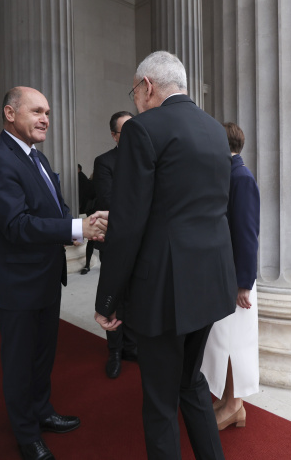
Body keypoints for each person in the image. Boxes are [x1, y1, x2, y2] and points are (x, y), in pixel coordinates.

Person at [94, 51, 236, 459]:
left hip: (164, 288)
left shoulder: (143, 129)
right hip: (210, 283)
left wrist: (108, 299)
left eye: (134, 90)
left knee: (159, 401)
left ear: (147, 86)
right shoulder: (214, 130)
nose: (135, 99)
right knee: (191, 383)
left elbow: (129, 223)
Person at [0, 86, 108, 460]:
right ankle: (26, 433)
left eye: (47, 111)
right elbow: (16, 225)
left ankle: (42, 410)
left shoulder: (38, 158)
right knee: (19, 362)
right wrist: (78, 229)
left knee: (42, 355)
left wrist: (81, 221)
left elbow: (54, 208)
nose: (45, 118)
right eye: (36, 111)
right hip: (15, 282)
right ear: (10, 113)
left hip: (46, 276)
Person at [200, 122, 260, 431]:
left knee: (236, 344)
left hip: (237, 281)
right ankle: (226, 399)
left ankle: (236, 406)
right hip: (225, 277)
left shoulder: (241, 177)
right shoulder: (228, 173)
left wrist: (243, 284)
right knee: (223, 341)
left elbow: (247, 234)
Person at [91, 110, 136, 378]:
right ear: (114, 135)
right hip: (115, 243)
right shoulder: (105, 162)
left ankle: (132, 346)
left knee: (136, 296)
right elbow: (107, 201)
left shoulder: (147, 159)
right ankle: (115, 352)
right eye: (125, 132)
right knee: (114, 297)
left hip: (141, 244)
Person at [77, 164, 96, 274]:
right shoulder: (90, 183)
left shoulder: (89, 181)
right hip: (93, 213)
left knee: (93, 241)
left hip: (93, 213)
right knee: (92, 241)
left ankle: (87, 265)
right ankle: (87, 264)